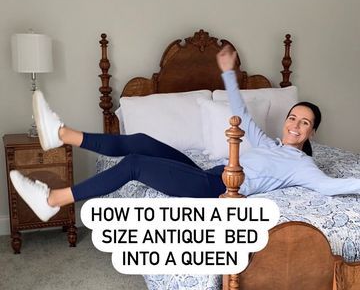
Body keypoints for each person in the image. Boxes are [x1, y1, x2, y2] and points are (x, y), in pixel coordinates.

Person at [10, 46, 360, 222]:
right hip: (204, 173)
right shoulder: (268, 143)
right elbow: (239, 110)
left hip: (213, 190)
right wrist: (228, 71)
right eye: (293, 117)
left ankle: (53, 201)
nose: (295, 124)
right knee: (143, 142)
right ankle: (61, 133)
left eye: (304, 123)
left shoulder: (301, 166)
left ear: (312, 132)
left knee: (134, 163)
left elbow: (331, 186)